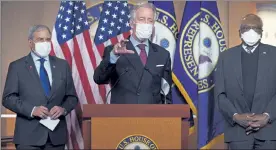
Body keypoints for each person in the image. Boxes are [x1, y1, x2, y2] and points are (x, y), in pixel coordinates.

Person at [2, 25, 78, 150]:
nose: (45, 43)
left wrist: (63, 109)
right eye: (40, 39)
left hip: (56, 137)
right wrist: (32, 110)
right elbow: (8, 98)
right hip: (28, 138)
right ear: (30, 42)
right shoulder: (17, 66)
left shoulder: (62, 65)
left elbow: (72, 97)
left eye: (48, 39)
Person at [215, 14, 276, 149]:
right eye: (246, 28)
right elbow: (220, 94)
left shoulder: (274, 54)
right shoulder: (226, 57)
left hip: (269, 132)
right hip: (237, 132)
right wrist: (235, 116)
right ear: (240, 33)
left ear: (261, 33)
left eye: (255, 29)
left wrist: (267, 116)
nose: (251, 32)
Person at [94, 2, 172, 104]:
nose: (146, 24)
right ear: (131, 23)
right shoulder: (114, 50)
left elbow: (167, 94)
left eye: (150, 20)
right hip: (123, 117)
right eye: (141, 19)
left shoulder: (163, 54)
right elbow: (99, 78)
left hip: (153, 117)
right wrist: (113, 56)